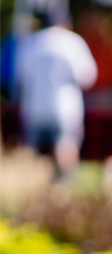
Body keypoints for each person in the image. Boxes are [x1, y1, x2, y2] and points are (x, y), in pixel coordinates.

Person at [13, 11, 97, 180]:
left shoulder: (30, 43)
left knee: (33, 152)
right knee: (66, 145)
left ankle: (30, 189)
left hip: (34, 107)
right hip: (65, 108)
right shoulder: (72, 42)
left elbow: (19, 79)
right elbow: (87, 77)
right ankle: (63, 190)